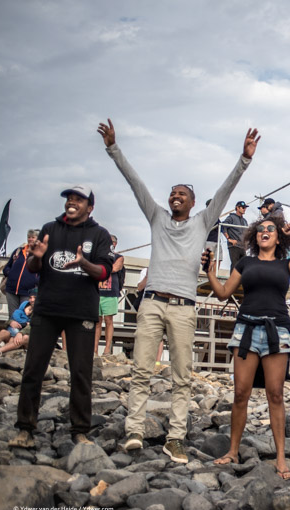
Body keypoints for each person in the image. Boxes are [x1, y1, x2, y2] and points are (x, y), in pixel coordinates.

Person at [98, 118, 259, 463]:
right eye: (172, 192)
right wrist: (114, 149)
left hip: (185, 308)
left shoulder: (203, 221)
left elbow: (225, 192)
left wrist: (243, 160)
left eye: (181, 193)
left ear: (193, 201)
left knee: (182, 375)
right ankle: (135, 431)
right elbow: (135, 182)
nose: (175, 196)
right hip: (152, 302)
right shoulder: (156, 217)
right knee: (141, 369)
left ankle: (175, 439)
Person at [203, 213, 290, 476]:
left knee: (275, 394)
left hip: (277, 330)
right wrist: (208, 272)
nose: (265, 231)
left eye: (271, 229)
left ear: (278, 238)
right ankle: (232, 451)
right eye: (261, 229)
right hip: (246, 329)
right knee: (241, 393)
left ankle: (281, 458)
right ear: (255, 235)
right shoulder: (245, 263)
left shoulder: (286, 264)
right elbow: (222, 294)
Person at [9, 185, 114, 448]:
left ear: (89, 207)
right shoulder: (50, 229)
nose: (72, 202)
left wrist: (83, 264)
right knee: (33, 370)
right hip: (47, 310)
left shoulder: (98, 234)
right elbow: (35, 268)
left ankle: (79, 431)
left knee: (81, 373)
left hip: (81, 313)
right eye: (69, 198)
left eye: (79, 199)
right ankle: (25, 429)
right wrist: (36, 258)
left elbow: (104, 272)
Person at [94, 234, 124, 356]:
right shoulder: (98, 256)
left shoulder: (118, 257)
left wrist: (101, 267)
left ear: (115, 244)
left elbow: (115, 268)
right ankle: (94, 350)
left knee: (108, 320)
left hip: (110, 292)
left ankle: (107, 349)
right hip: (96, 291)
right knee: (97, 321)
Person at [2, 229, 41, 319]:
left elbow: (43, 272)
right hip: (12, 290)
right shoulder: (18, 251)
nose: (30, 239)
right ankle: (12, 333)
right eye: (29, 237)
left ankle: (20, 333)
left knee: (24, 316)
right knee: (12, 317)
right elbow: (7, 267)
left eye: (33, 237)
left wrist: (35, 281)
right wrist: (9, 273)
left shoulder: (39, 254)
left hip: (28, 292)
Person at [0, 289, 36, 355]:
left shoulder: (41, 310)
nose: (32, 300)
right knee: (4, 332)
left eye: (35, 298)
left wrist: (20, 333)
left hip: (31, 339)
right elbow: (7, 322)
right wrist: (11, 322)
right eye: (30, 297)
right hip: (16, 336)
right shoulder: (23, 307)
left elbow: (33, 325)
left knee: (25, 337)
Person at [223, 201, 249, 272]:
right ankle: (232, 282)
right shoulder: (231, 217)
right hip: (234, 246)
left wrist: (247, 244)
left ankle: (241, 282)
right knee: (235, 265)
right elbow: (223, 226)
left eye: (245, 208)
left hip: (242, 247)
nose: (244, 209)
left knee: (244, 265)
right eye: (243, 207)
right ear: (237, 208)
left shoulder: (244, 221)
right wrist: (229, 239)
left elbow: (246, 233)